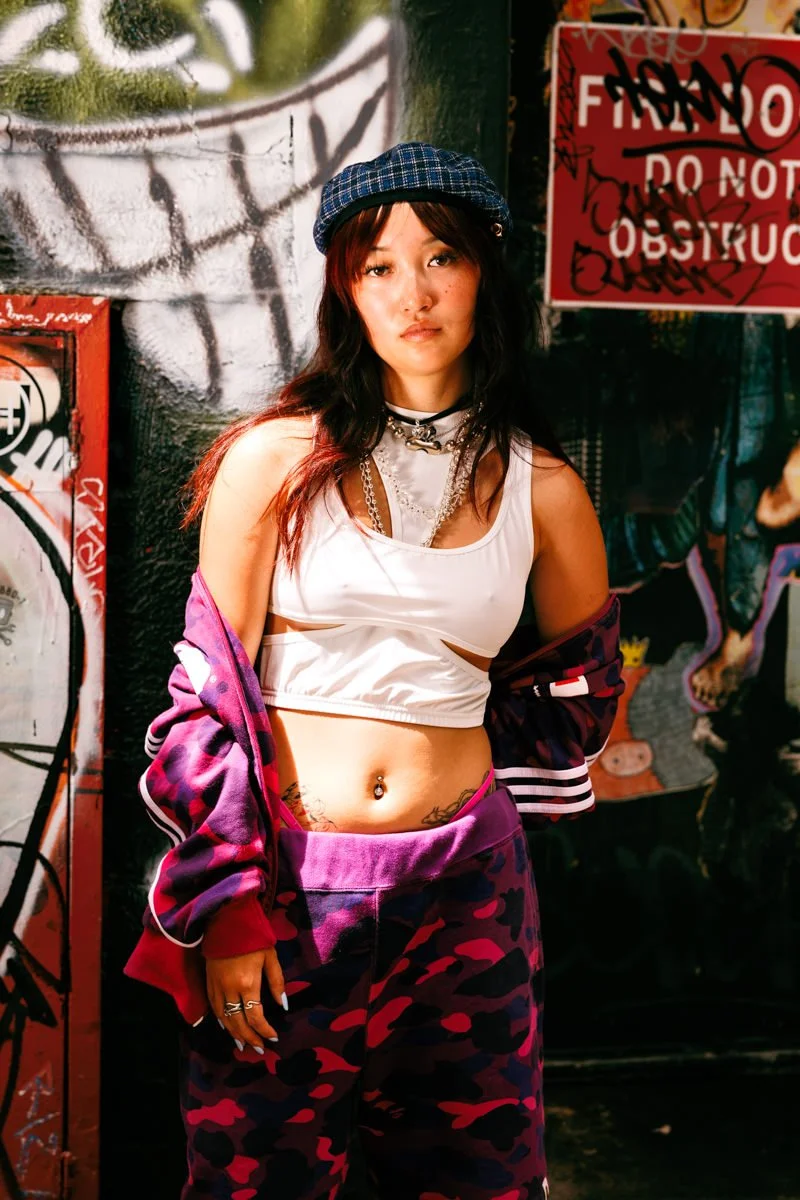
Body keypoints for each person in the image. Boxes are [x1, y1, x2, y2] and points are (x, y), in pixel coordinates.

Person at [125, 142, 622, 1200]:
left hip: (466, 897)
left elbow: (581, 692)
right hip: (291, 892)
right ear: (344, 289)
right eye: (376, 266)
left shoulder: (545, 490)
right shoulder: (273, 460)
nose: (412, 291)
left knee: (468, 1177)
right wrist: (227, 906)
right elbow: (205, 699)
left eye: (438, 256)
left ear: (485, 271)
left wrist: (466, 754)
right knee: (258, 1177)